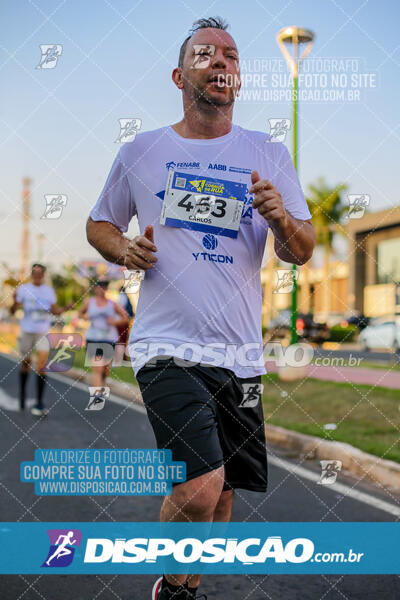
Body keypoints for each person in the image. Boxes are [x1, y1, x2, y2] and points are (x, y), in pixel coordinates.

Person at [86, 16, 316, 600]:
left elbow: (300, 251)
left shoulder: (268, 152)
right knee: (199, 487)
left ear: (238, 78)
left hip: (239, 353)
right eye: (206, 54)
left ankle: (183, 590)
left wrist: (278, 217)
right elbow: (100, 223)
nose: (221, 63)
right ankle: (169, 582)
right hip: (166, 345)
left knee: (227, 489)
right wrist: (125, 247)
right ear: (178, 74)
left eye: (231, 56)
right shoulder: (142, 151)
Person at [10, 263, 72, 416]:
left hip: (42, 332)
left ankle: (39, 401)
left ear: (43, 275)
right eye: (34, 273)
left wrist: (66, 308)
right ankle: (23, 396)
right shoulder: (24, 290)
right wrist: (13, 299)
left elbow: (54, 310)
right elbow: (13, 310)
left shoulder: (49, 291)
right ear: (32, 274)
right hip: (27, 331)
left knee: (42, 365)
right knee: (26, 363)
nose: (37, 276)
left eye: (40, 273)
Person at [78, 279, 129, 391]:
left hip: (109, 339)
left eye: (104, 287)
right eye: (99, 286)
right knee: (97, 369)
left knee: (105, 370)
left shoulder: (112, 304)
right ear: (95, 288)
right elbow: (80, 313)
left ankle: (101, 386)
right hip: (93, 338)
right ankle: (98, 397)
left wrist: (114, 322)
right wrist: (84, 317)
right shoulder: (89, 302)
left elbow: (126, 318)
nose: (101, 289)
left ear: (106, 288)